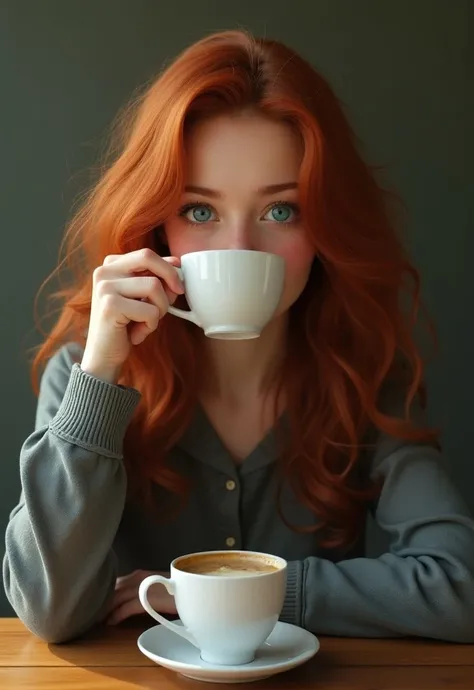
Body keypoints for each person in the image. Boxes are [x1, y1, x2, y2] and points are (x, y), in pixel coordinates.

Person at [3, 29, 474, 645]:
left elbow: (460, 586)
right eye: (200, 210)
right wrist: (100, 373)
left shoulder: (363, 376)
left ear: (324, 225)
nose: (239, 249)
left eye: (281, 210)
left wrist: (217, 593)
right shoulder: (87, 374)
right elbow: (49, 610)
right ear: (159, 228)